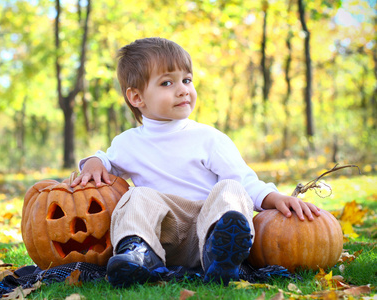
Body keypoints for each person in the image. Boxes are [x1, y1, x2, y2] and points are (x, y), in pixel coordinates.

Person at [71, 37, 320, 288]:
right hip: (163, 235)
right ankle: (139, 253)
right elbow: (107, 160)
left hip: (208, 225)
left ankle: (221, 254)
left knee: (231, 189)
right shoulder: (128, 143)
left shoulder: (209, 138)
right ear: (136, 97)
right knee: (137, 197)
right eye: (167, 82)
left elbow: (244, 180)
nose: (182, 90)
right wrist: (94, 161)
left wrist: (274, 198)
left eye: (187, 80)